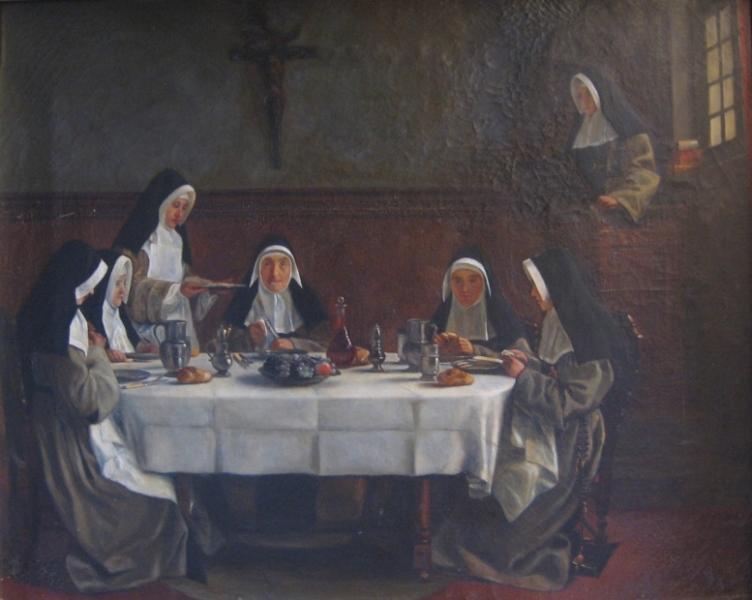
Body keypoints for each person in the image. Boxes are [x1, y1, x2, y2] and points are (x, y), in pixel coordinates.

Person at [433, 247, 626, 591]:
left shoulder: (588, 337)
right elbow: (553, 372)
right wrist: (526, 363)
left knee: (492, 544)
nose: (532, 294)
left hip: (572, 443)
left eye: (536, 287)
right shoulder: (559, 321)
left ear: (554, 288)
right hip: (551, 433)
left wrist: (524, 376)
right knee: (477, 513)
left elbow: (567, 401)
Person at [16, 240, 188, 593]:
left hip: (71, 435)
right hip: (72, 451)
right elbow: (92, 402)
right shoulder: (61, 335)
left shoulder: (58, 318)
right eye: (90, 284)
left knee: (157, 476)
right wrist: (96, 353)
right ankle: (134, 566)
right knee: (159, 496)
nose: (94, 291)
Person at [113, 168, 215, 353]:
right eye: (175, 206)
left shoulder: (178, 241)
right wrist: (175, 291)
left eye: (184, 208)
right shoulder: (141, 241)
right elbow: (132, 289)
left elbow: (186, 282)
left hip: (179, 327)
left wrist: (205, 289)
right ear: (162, 203)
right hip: (145, 332)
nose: (180, 213)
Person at [569, 69, 661, 223]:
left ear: (600, 94)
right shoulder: (579, 134)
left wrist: (620, 199)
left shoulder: (630, 133)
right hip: (585, 214)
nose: (583, 102)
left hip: (617, 212)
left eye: (588, 95)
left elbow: (645, 174)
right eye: (579, 96)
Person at [223, 234, 330, 352]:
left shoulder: (307, 302)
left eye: (282, 264)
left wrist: (294, 344)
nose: (275, 273)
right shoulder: (242, 302)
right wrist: (247, 339)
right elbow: (217, 346)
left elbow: (327, 345)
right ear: (258, 268)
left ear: (292, 269)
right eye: (267, 264)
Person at [431, 246, 530, 358]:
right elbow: (421, 351)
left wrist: (475, 350)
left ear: (484, 282)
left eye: (472, 280)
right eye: (458, 281)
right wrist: (436, 347)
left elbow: (524, 357)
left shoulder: (501, 314)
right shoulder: (442, 316)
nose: (464, 289)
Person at [81, 249, 156, 362]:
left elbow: (134, 342)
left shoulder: (120, 315)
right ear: (105, 284)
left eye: (125, 282)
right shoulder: (90, 323)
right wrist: (106, 354)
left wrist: (143, 348)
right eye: (117, 283)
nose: (123, 291)